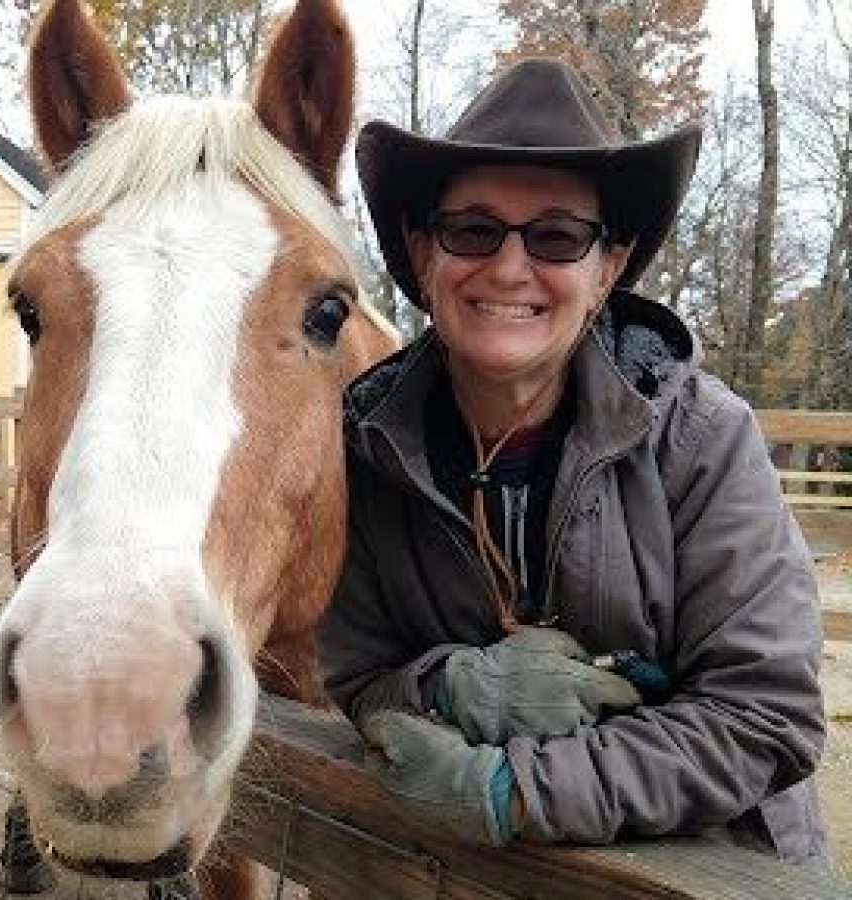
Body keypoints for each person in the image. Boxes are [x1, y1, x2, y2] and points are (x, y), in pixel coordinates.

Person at [316, 57, 829, 863]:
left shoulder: (701, 439)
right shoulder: (365, 454)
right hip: (465, 879)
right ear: (423, 254)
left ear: (608, 267)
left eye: (557, 236)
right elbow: (357, 677)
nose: (510, 267)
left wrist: (515, 791)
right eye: (473, 230)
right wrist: (454, 686)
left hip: (706, 869)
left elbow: (763, 714)